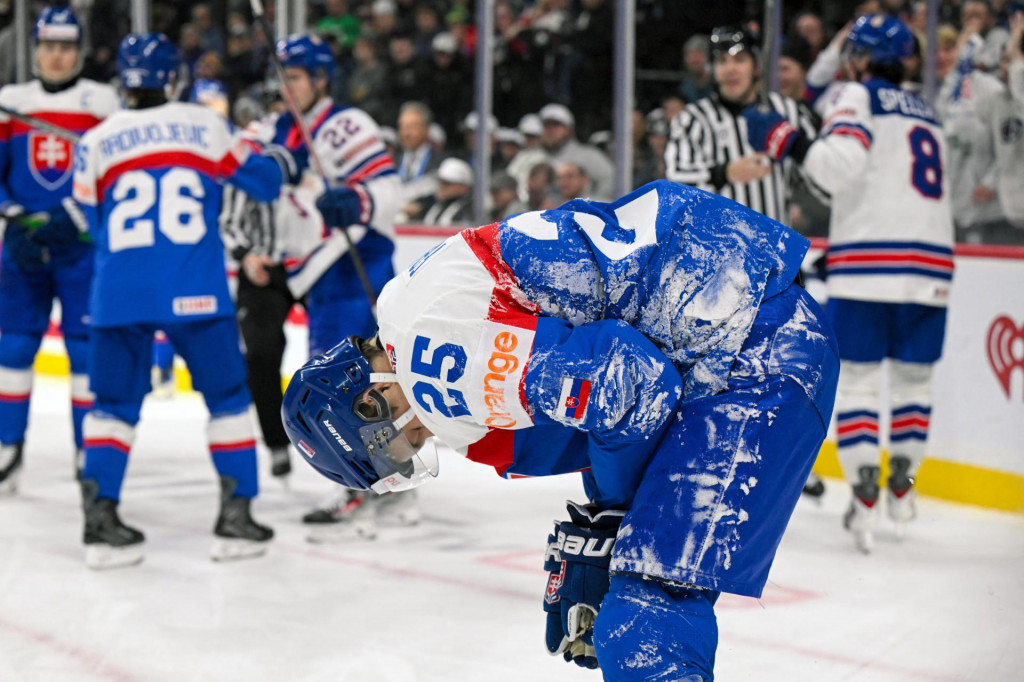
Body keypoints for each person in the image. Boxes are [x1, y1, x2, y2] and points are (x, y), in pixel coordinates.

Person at [281, 179, 840, 680]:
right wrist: (607, 512)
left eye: (391, 450)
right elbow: (598, 405)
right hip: (741, 323)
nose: (416, 448)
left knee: (644, 620)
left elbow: (631, 384)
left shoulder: (431, 370)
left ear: (373, 403)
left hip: (749, 347)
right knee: (641, 600)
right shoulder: (411, 307)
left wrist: (615, 514)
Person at [70, 33, 296, 569]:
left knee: (112, 407)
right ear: (173, 80)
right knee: (227, 399)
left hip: (119, 291)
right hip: (193, 288)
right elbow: (263, 183)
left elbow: (88, 221)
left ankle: (100, 526)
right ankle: (236, 519)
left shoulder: (97, 140)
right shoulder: (204, 125)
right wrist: (282, 158)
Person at [743, 15, 955, 553]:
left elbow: (838, 166)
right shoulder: (928, 110)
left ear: (859, 57)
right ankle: (902, 489)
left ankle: (863, 494)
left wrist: (782, 139)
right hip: (932, 263)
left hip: (868, 261)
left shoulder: (856, 95)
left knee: (859, 382)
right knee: (914, 385)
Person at [0, 6, 119, 493]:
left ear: (80, 51)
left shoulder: (102, 103)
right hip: (21, 246)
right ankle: (7, 447)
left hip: (82, 248)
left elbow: (115, 174)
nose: (56, 56)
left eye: (66, 47)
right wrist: (12, 216)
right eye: (48, 46)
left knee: (85, 352)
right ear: (36, 49)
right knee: (13, 346)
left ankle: (85, 449)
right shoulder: (10, 100)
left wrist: (71, 219)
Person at [665, 25, 820, 225]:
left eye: (740, 60)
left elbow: (820, 176)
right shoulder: (692, 119)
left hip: (773, 249)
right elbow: (675, 180)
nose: (731, 69)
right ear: (712, 69)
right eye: (722, 61)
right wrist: (724, 173)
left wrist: (805, 207)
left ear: (756, 67)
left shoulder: (787, 111)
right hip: (714, 250)